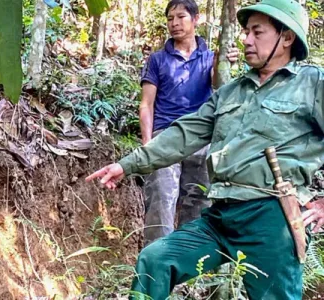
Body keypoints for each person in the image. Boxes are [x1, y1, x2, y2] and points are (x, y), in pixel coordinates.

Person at [87, 0, 324, 298]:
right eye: (245, 32)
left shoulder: (312, 84)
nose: (246, 40)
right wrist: (126, 164)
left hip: (271, 217)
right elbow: (184, 134)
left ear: (286, 37)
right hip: (221, 214)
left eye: (257, 32)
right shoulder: (231, 92)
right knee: (156, 260)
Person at [139, 0, 239, 243]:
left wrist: (225, 62)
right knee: (161, 202)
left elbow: (218, 84)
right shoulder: (158, 59)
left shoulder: (209, 57)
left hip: (201, 138)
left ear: (196, 19)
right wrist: (147, 145)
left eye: (181, 17)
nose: (174, 23)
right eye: (170, 18)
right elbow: (146, 104)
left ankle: (190, 273)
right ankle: (156, 270)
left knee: (198, 205)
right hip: (166, 136)